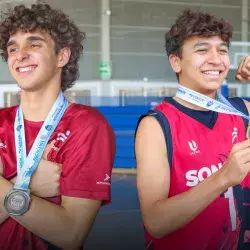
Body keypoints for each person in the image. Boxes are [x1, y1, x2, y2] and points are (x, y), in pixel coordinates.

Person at [0, 2, 115, 250]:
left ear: (62, 56)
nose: (20, 55)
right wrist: (26, 184)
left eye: (34, 44)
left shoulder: (88, 126)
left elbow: (70, 234)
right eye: (13, 48)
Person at [135, 9, 250, 250]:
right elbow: (156, 222)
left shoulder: (244, 113)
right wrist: (222, 178)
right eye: (202, 50)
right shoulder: (156, 125)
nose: (216, 59)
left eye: (222, 50)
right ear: (176, 61)